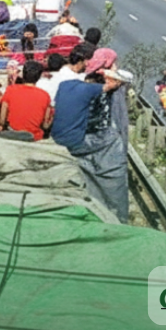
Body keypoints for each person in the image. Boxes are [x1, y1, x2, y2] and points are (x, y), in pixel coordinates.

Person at [53, 67, 131, 221]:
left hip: (76, 145)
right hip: (102, 145)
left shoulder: (69, 89)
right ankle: (115, 219)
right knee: (112, 188)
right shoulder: (105, 97)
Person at [0, 60, 53, 140]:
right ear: (39, 76)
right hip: (34, 137)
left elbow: (2, 120)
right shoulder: (45, 95)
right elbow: (45, 125)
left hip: (12, 134)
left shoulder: (10, 90)